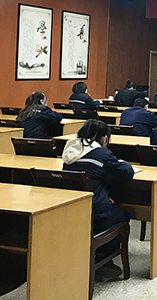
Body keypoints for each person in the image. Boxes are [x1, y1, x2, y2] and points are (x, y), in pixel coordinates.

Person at [62, 119, 134, 280]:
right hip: (95, 216)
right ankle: (104, 259)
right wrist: (125, 164)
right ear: (104, 139)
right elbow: (124, 174)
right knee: (122, 214)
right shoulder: (102, 154)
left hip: (72, 212)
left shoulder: (70, 150)